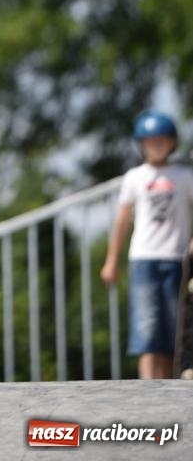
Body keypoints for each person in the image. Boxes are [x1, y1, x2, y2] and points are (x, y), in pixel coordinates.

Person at [100, 110, 193, 379]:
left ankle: (168, 388)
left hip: (176, 258)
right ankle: (148, 387)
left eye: (161, 140)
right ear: (141, 144)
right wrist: (111, 260)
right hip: (143, 258)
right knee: (146, 327)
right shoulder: (135, 177)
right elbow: (122, 221)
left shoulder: (184, 176)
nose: (156, 146)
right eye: (150, 141)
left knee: (172, 329)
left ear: (173, 142)